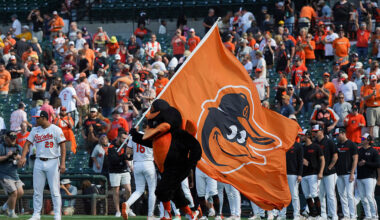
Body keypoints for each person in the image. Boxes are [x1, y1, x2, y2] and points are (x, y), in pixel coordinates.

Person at [18, 110, 66, 220]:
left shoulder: (56, 129)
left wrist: (62, 163)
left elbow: (63, 147)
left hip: (53, 161)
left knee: (55, 190)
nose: (36, 119)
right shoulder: (35, 130)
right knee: (37, 190)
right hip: (39, 161)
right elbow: (27, 144)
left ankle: (58, 215)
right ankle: (36, 214)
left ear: (44, 118)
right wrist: (23, 157)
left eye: (37, 118)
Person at [123, 135, 157, 220]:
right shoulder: (152, 136)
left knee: (139, 190)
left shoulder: (134, 136)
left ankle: (127, 204)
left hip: (137, 164)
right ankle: (150, 215)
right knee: (152, 190)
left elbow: (128, 151)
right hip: (148, 163)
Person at [312, 124, 338, 220]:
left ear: (322, 131)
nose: (315, 133)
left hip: (329, 173)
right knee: (320, 195)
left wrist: (330, 167)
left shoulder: (329, 142)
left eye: (316, 131)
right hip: (319, 173)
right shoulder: (314, 143)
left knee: (331, 194)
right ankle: (323, 214)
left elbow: (335, 156)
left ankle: (333, 215)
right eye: (314, 132)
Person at [299, 129, 325, 218]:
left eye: (302, 135)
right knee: (307, 195)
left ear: (307, 136)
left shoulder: (316, 147)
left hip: (313, 174)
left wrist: (321, 172)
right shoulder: (302, 148)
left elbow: (322, 160)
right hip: (304, 174)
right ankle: (313, 214)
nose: (300, 137)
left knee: (314, 194)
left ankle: (319, 214)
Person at [279, 129, 303, 220]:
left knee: (294, 195)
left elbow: (300, 161)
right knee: (283, 195)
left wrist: (300, 174)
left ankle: (296, 215)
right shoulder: (284, 145)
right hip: (283, 173)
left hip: (294, 174)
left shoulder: (298, 146)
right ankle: (282, 215)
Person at [333, 128, 358, 220]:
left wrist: (352, 173)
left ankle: (353, 215)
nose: (336, 136)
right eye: (335, 135)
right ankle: (346, 215)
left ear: (343, 133)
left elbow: (355, 159)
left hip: (349, 173)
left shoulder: (352, 144)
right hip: (339, 174)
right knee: (342, 195)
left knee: (349, 195)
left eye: (337, 134)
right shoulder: (337, 145)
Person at [108, 130, 132, 217]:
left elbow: (128, 157)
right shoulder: (111, 147)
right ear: (118, 138)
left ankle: (128, 209)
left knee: (128, 189)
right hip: (114, 171)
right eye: (123, 138)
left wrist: (129, 163)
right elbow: (114, 160)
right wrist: (123, 156)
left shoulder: (126, 146)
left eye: (126, 138)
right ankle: (118, 211)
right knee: (116, 190)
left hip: (124, 170)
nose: (125, 140)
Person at [0, 131, 24, 218]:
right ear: (6, 138)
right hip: (3, 174)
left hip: (14, 174)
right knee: (14, 193)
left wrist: (19, 158)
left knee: (20, 192)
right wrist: (7, 156)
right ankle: (11, 213)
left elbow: (22, 164)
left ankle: (4, 207)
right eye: (11, 138)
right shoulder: (1, 146)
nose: (13, 140)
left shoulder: (19, 148)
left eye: (14, 138)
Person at [357, 133, 380, 220]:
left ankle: (375, 215)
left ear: (368, 140)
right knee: (363, 197)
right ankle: (368, 215)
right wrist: (359, 163)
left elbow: (378, 164)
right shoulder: (359, 151)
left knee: (370, 196)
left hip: (370, 177)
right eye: (361, 139)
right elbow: (356, 162)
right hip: (360, 177)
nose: (361, 140)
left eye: (363, 139)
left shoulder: (374, 151)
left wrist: (365, 163)